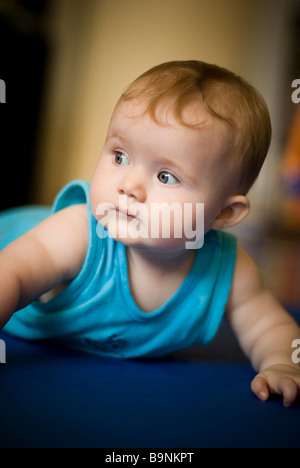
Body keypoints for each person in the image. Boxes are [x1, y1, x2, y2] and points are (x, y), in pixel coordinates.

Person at [0, 61, 299, 407]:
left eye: (166, 177)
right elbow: (13, 272)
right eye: (120, 156)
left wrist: (284, 364)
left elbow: (271, 328)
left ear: (223, 213)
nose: (129, 186)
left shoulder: (229, 270)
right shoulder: (80, 231)